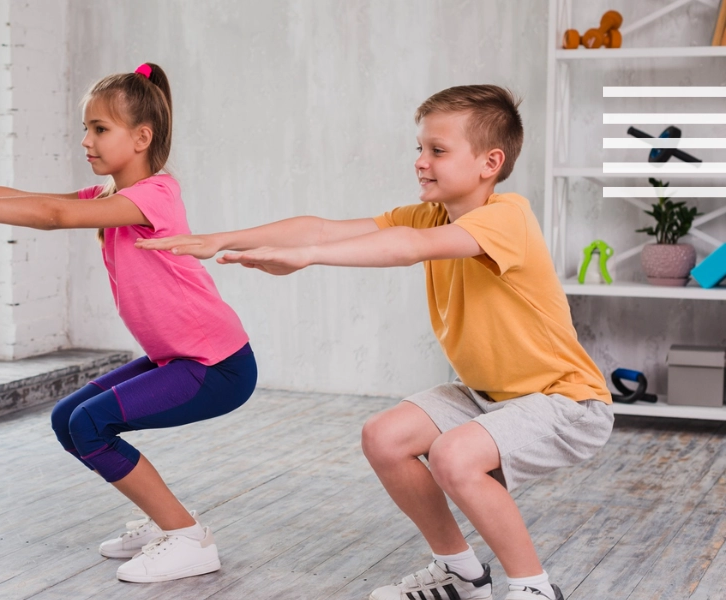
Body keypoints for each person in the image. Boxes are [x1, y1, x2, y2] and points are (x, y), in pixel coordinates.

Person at [137, 85, 612, 600]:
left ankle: (534, 589)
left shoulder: (507, 216)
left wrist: (310, 258)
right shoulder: (429, 214)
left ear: (489, 162)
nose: (421, 162)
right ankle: (460, 574)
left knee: (454, 456)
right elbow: (321, 228)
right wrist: (224, 239)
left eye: (438, 150)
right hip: (487, 395)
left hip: (567, 402)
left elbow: (407, 249)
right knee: (385, 437)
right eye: (419, 148)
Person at [0, 63, 257, 584]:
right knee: (70, 418)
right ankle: (169, 524)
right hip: (180, 359)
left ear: (142, 137)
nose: (85, 141)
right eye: (84, 128)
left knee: (91, 425)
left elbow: (51, 216)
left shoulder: (154, 196)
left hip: (217, 365)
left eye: (99, 129)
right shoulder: (111, 197)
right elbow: (20, 198)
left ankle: (187, 538)